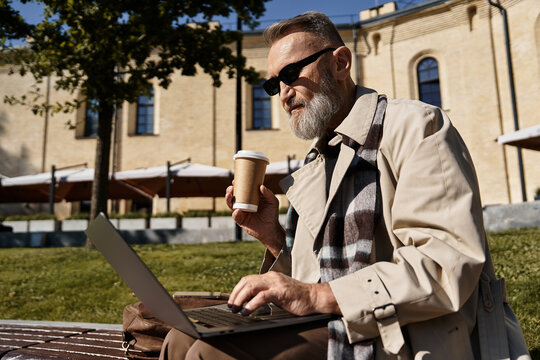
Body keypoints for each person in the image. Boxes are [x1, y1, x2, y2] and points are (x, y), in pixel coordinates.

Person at [160, 11, 512, 359]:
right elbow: (314, 278)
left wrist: (318, 298)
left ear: (340, 63)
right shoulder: (318, 159)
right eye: (273, 84)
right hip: (339, 320)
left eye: (291, 74)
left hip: (406, 333)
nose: (283, 95)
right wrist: (275, 239)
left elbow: (447, 267)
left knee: (210, 352)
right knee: (179, 339)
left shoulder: (416, 127)